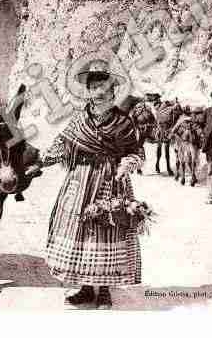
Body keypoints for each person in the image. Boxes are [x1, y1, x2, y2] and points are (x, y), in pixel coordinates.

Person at [36, 59, 145, 309]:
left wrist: (127, 164)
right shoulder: (79, 119)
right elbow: (63, 145)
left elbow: (136, 152)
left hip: (110, 180)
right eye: (94, 87)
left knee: (107, 229)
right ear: (88, 90)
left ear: (112, 90)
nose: (98, 92)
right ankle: (85, 287)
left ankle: (104, 290)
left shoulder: (123, 122)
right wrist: (42, 161)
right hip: (80, 181)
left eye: (103, 87)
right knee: (81, 231)